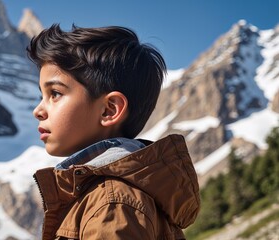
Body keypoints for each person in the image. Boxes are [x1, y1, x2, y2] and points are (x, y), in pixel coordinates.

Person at [27, 24, 200, 240]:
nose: (38, 110)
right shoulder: (105, 195)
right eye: (42, 95)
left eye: (55, 93)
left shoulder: (112, 203)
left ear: (110, 110)